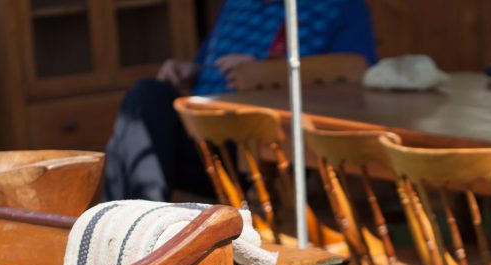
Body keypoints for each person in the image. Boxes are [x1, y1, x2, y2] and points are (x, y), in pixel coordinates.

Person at [104, 0, 377, 202]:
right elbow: (207, 63)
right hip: (201, 136)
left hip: (261, 151)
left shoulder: (339, 7)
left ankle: (133, 225)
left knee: (139, 116)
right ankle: (135, 219)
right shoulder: (238, 5)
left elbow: (357, 74)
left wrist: (264, 72)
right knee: (146, 101)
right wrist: (190, 70)